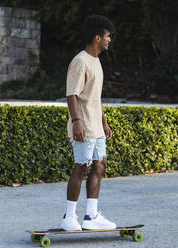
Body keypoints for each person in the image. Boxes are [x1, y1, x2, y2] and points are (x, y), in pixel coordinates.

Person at [61, 15, 116, 231]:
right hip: (83, 125)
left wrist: (104, 121)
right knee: (81, 167)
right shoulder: (80, 61)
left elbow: (95, 97)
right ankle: (69, 217)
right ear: (97, 37)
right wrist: (76, 122)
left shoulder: (96, 61)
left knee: (99, 165)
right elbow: (71, 95)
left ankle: (91, 216)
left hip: (96, 126)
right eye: (107, 36)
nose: (109, 40)